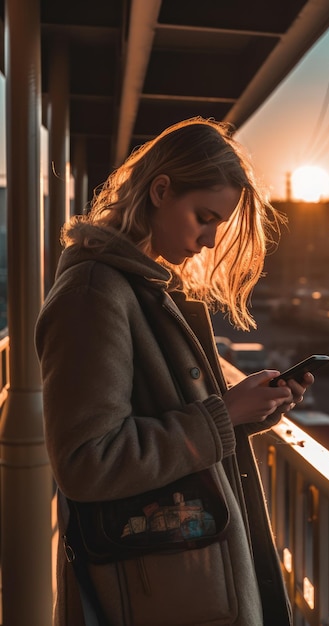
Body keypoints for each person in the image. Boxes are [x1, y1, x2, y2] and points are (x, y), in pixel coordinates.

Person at [35, 117, 314, 626]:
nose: (209, 241)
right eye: (204, 217)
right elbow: (86, 461)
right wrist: (223, 414)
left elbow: (168, 416)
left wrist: (248, 410)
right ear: (161, 190)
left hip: (171, 584)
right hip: (151, 593)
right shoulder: (94, 294)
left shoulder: (137, 287)